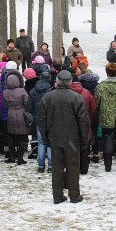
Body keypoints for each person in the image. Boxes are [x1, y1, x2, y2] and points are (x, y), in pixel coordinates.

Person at [39, 70, 89, 204]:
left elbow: (42, 120)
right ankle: (74, 195)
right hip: (72, 138)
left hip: (55, 137)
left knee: (57, 168)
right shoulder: (76, 98)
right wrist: (84, 137)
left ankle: (57, 195)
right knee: (73, 167)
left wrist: (44, 136)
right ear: (70, 82)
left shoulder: (47, 97)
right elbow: (83, 120)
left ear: (57, 81)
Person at [95, 63, 116, 172]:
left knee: (106, 141)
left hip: (105, 118)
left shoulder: (100, 87)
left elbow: (96, 103)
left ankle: (107, 166)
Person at [2, 68, 30, 165]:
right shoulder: (22, 91)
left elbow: (5, 104)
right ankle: (20, 158)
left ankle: (12, 156)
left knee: (11, 136)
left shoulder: (5, 92)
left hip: (10, 114)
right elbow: (26, 103)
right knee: (22, 136)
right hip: (21, 113)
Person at [28, 72, 53, 173]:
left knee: (41, 143)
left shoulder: (33, 91)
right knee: (50, 143)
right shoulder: (51, 92)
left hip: (38, 120)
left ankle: (41, 165)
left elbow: (29, 107)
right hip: (50, 120)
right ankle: (51, 166)